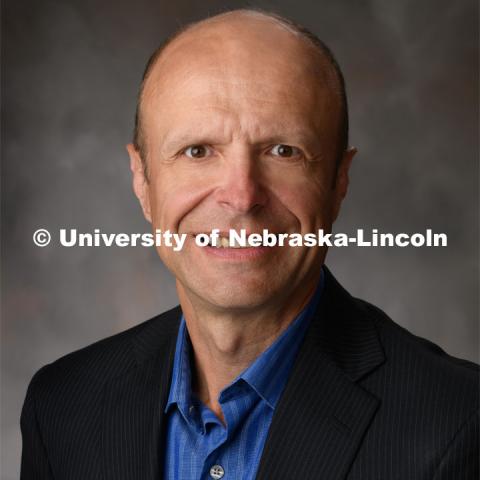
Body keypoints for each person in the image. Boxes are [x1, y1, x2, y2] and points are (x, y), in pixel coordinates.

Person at [20, 8, 478, 480]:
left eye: (283, 151)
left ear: (339, 180)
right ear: (142, 180)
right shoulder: (62, 408)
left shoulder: (460, 423)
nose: (241, 197)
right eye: (197, 151)